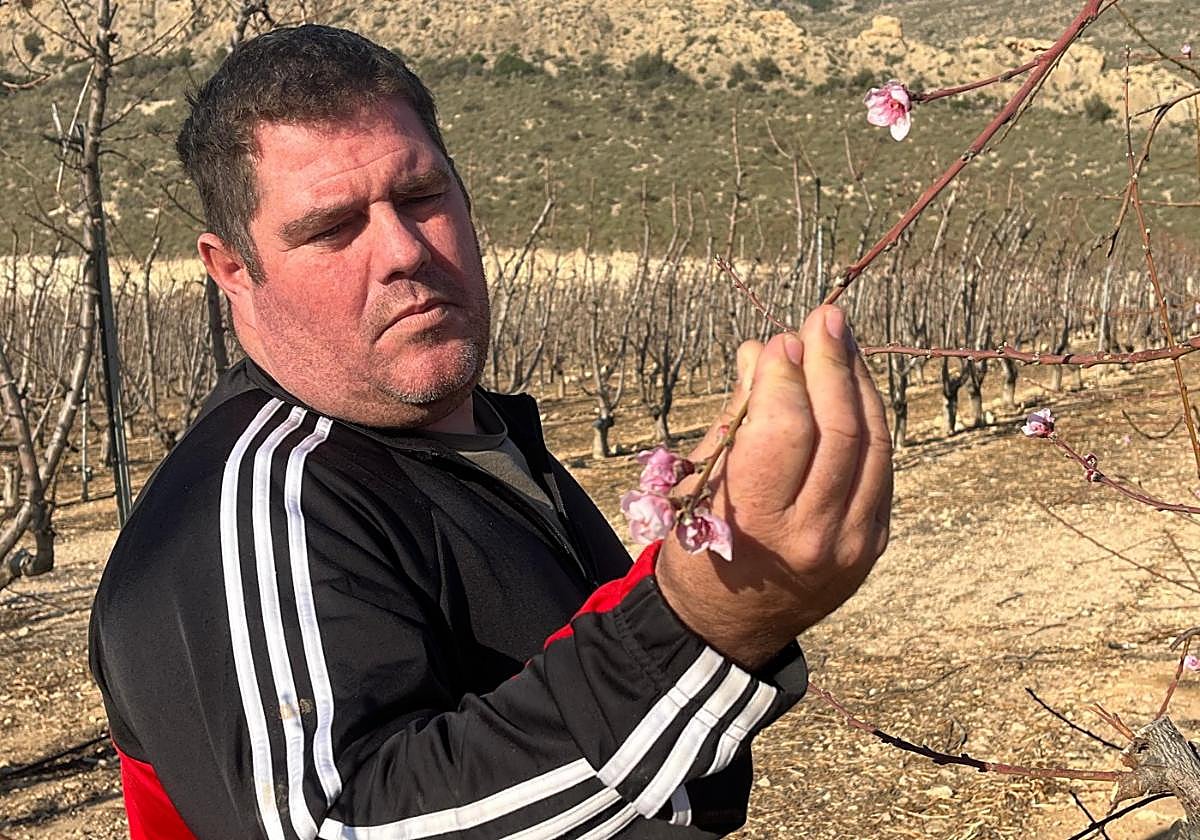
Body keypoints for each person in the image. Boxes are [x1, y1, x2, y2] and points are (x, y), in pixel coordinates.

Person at [89, 24, 892, 840]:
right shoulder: (254, 508)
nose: (403, 251)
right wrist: (696, 626)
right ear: (232, 269)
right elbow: (341, 824)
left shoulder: (479, 442)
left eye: (420, 197)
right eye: (332, 228)